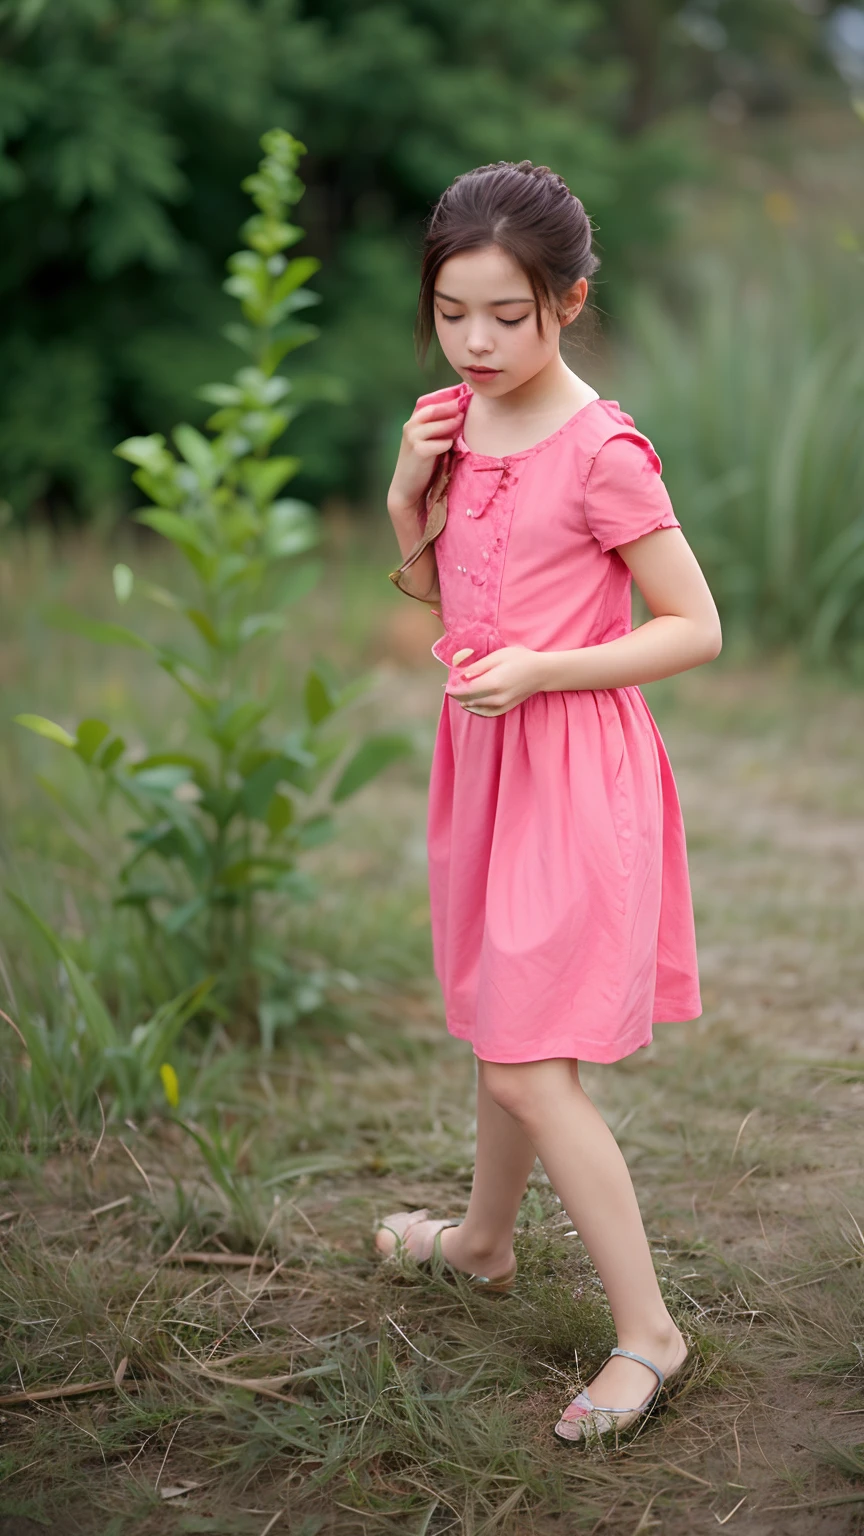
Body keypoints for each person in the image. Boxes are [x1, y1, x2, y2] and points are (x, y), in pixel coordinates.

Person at [375, 160, 721, 1446]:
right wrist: (410, 494)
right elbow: (448, 592)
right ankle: (478, 1242)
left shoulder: (603, 450)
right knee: (501, 1025)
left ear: (567, 303)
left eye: (506, 317)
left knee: (528, 1061)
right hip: (487, 763)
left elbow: (697, 627)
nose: (474, 340)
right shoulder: (457, 422)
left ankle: (652, 1335)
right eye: (452, 310)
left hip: (574, 768)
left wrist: (545, 670)